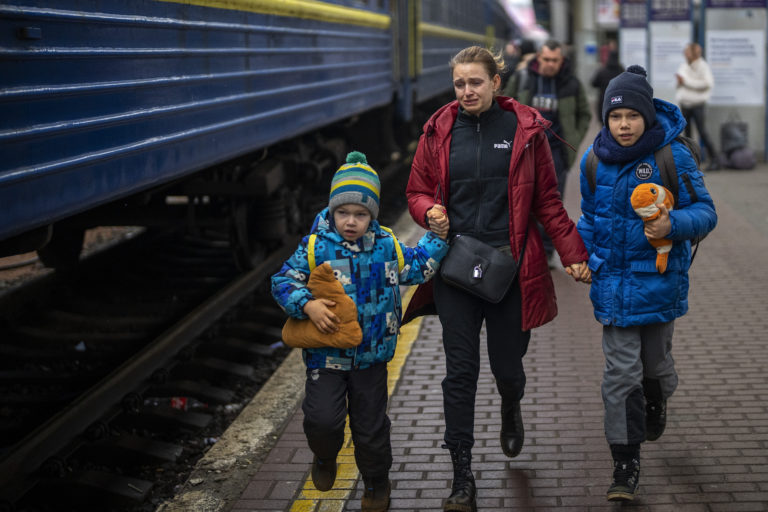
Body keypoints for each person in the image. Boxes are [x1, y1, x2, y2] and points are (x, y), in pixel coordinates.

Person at [403, 45, 590, 512]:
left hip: (510, 270)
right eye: (460, 83)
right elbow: (416, 189)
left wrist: (572, 254)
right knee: (459, 373)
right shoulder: (438, 130)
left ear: (496, 83)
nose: (466, 91)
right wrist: (430, 212)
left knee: (508, 368)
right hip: (456, 270)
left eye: (475, 82)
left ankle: (511, 402)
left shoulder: (525, 131)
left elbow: (547, 200)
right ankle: (461, 475)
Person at [271, 151, 449, 512]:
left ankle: (376, 483)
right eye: (343, 213)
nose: (351, 221)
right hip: (326, 357)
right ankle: (324, 455)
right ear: (332, 211)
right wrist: (307, 304)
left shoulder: (387, 245)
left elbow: (417, 267)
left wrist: (438, 237)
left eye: (361, 214)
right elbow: (282, 281)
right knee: (322, 420)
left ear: (373, 215)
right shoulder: (314, 247)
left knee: (371, 430)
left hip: (372, 359)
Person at [576, 65, 717, 501]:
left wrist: (672, 224)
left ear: (647, 117)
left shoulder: (672, 156)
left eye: (632, 117)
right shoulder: (594, 160)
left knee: (655, 367)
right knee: (620, 376)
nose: (623, 125)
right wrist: (579, 256)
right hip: (613, 287)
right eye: (615, 117)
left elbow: (706, 213)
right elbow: (590, 218)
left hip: (657, 283)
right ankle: (624, 464)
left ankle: (657, 396)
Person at [503, 39, 592, 263]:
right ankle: (522, 247)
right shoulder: (523, 79)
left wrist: (574, 139)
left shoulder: (571, 84)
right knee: (522, 197)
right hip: (526, 150)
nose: (550, 64)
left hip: (556, 153)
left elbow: (585, 114)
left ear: (561, 60)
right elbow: (505, 107)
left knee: (552, 202)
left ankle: (546, 251)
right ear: (538, 58)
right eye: (546, 59)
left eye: (555, 60)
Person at [675, 42, 719, 170]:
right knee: (686, 135)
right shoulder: (683, 66)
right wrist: (681, 83)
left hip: (698, 105)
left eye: (687, 51)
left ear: (694, 53)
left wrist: (686, 82)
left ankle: (715, 159)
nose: (685, 54)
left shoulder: (703, 66)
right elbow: (679, 83)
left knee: (702, 132)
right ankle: (690, 161)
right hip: (685, 104)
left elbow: (707, 84)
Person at [591, 49, 624, 121]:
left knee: (604, 121)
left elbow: (593, 83)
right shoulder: (621, 70)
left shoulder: (603, 71)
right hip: (619, 99)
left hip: (604, 99)